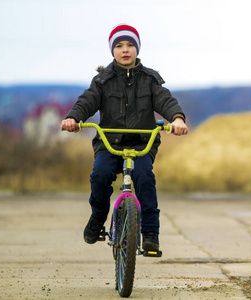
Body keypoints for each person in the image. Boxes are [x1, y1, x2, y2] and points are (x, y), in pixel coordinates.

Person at [61, 24, 188, 251]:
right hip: (110, 142)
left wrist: (177, 118)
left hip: (141, 143)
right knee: (100, 175)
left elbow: (166, 100)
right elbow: (86, 101)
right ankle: (98, 218)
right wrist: (73, 118)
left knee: (144, 178)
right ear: (113, 51)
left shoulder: (150, 80)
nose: (125, 50)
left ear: (137, 49)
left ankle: (150, 233)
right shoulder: (102, 80)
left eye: (130, 45)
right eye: (119, 46)